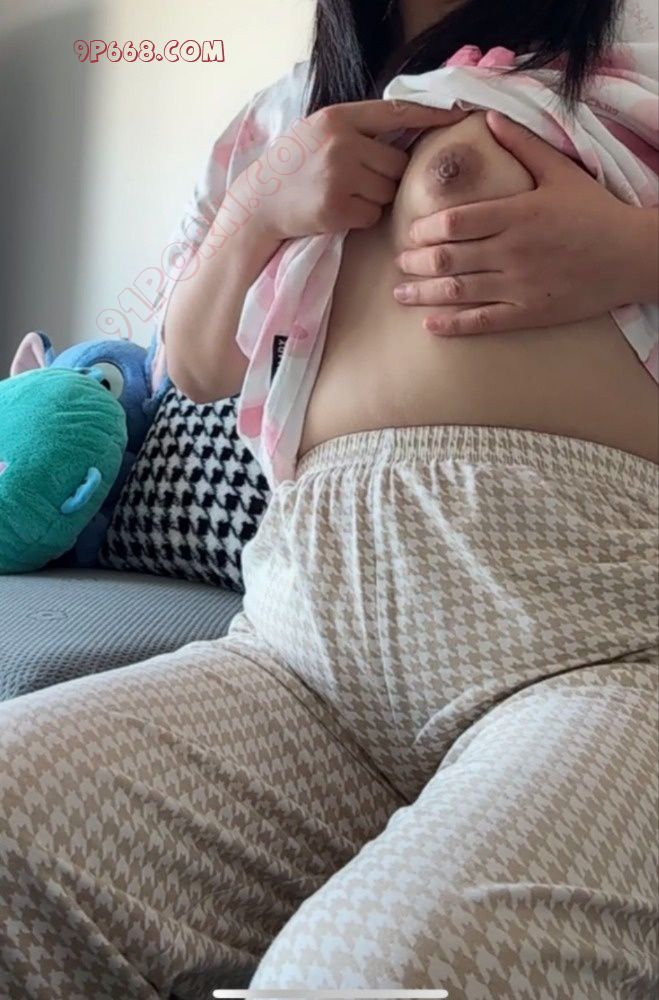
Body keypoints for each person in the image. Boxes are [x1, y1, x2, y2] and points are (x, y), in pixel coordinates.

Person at [1, 1, 657, 998]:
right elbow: (192, 365)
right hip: (303, 648)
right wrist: (259, 207)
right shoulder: (283, 114)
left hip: (595, 651)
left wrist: (632, 249)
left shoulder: (634, 40)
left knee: (369, 973)